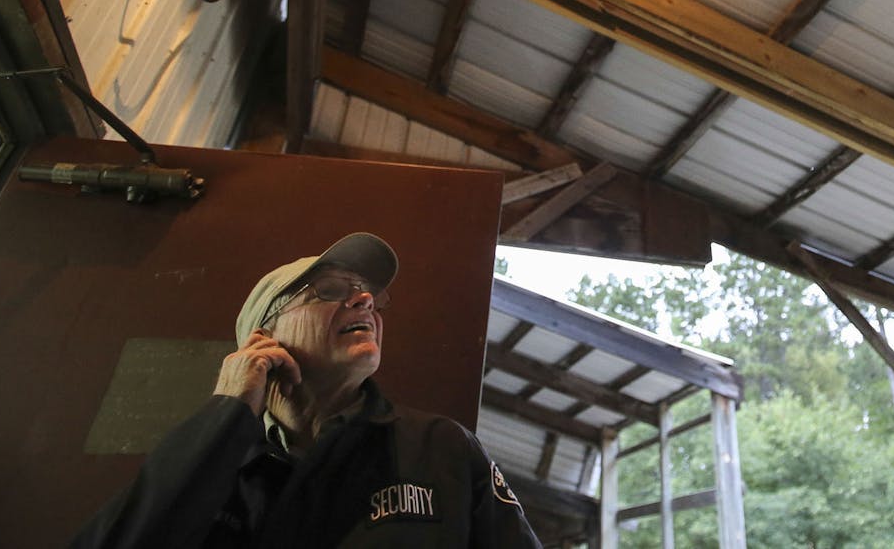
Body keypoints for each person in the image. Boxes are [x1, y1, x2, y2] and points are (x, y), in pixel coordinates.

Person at [72, 232, 542, 548]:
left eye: (369, 296)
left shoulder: (442, 445)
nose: (365, 301)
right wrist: (229, 410)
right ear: (263, 337)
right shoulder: (213, 458)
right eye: (331, 289)